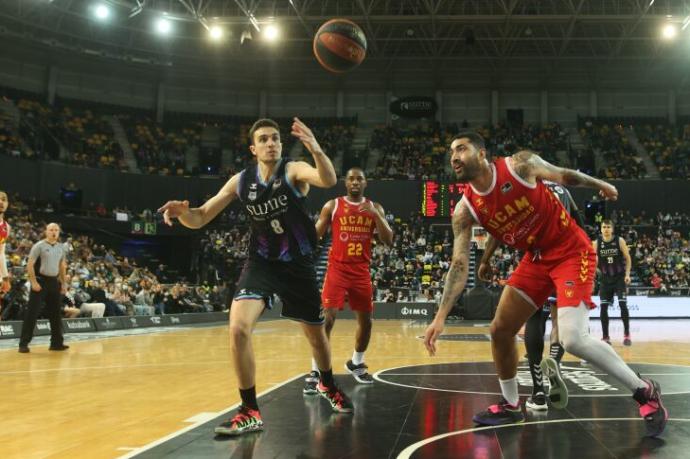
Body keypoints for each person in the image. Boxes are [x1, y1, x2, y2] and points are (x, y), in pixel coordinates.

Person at [424, 131, 667, 437]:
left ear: (482, 153)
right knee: (500, 330)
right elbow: (460, 264)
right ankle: (512, 406)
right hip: (536, 259)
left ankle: (644, 390)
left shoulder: (519, 166)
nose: (454, 156)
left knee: (572, 339)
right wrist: (441, 316)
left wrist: (600, 184)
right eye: (451, 153)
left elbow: (565, 176)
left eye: (461, 149)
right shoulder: (464, 210)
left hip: (570, 249)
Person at [158, 118, 353, 437]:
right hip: (261, 262)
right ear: (253, 148)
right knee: (237, 328)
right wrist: (184, 214)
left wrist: (315, 147)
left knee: (316, 337)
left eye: (275, 138)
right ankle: (249, 410)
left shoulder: (293, 170)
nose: (271, 143)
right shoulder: (240, 180)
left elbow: (327, 179)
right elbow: (203, 216)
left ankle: (327, 383)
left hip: (298, 263)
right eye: (264, 139)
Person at [478, 181, 585, 412]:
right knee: (559, 321)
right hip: (566, 259)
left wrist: (486, 259)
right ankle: (554, 360)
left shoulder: (527, 191)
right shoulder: (563, 190)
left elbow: (502, 228)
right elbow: (580, 224)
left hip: (538, 260)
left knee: (534, 320)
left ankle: (538, 394)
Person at [303, 168, 393, 393]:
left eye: (359, 179)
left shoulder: (375, 207)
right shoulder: (332, 206)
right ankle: (316, 371)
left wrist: (376, 215)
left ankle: (356, 362)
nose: (355, 182)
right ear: (345, 183)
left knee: (367, 322)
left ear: (366, 183)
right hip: (337, 269)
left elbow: (388, 240)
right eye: (351, 179)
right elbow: (315, 236)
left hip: (361, 271)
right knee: (327, 319)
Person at [19, 223, 70, 353]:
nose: (54, 232)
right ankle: (23, 343)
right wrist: (33, 282)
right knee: (32, 312)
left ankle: (56, 343)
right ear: (46, 231)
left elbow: (62, 266)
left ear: (59, 232)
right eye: (51, 230)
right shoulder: (39, 246)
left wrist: (63, 284)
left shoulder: (61, 248)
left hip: (54, 282)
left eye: (56, 230)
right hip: (40, 282)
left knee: (55, 314)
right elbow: (30, 265)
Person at [593, 220, 632, 346]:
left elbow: (628, 258)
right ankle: (605, 337)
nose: (606, 229)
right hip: (605, 279)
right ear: (601, 228)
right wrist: (597, 273)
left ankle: (627, 334)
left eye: (608, 227)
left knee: (622, 305)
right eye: (604, 227)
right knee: (603, 307)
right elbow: (592, 261)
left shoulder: (619, 241)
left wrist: (627, 275)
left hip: (619, 278)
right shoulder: (596, 243)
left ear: (612, 229)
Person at [0, 191, 11, 317]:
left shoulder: (6, 227)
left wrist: (5, 277)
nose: (1, 202)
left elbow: (1, 253)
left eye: (4, 199)